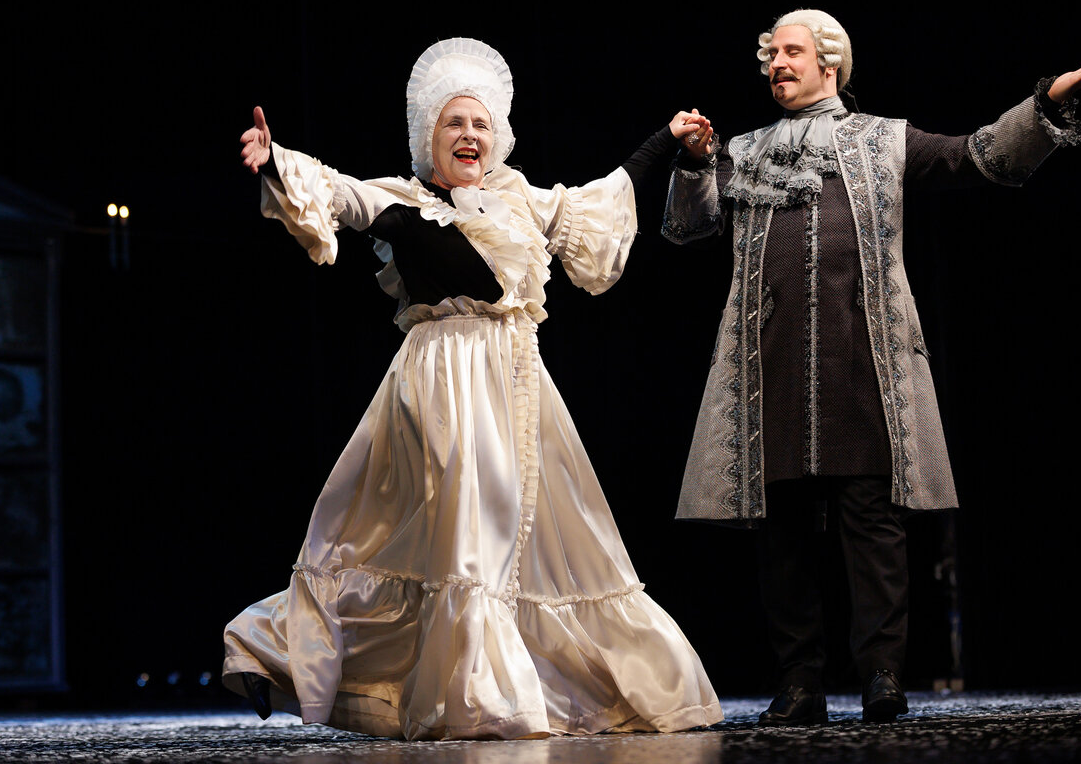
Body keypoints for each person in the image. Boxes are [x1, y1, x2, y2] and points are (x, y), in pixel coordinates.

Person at [222, 38, 722, 740]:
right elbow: (340, 194)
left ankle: (504, 685)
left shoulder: (516, 200)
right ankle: (338, 661)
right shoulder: (404, 200)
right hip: (444, 385)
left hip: (518, 383)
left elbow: (600, 198)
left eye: (481, 123)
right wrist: (277, 160)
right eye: (454, 122)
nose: (468, 134)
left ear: (498, 138)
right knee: (454, 538)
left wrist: (664, 140)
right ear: (430, 136)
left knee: (548, 541)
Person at [664, 9, 1081, 725]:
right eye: (770, 54)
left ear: (829, 62)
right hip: (770, 366)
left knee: (871, 524)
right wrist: (692, 161)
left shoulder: (882, 139)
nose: (776, 63)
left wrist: (1045, 105)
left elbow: (977, 156)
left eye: (791, 52)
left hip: (862, 360)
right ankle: (800, 682)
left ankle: (880, 674)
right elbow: (690, 228)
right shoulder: (743, 151)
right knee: (783, 533)